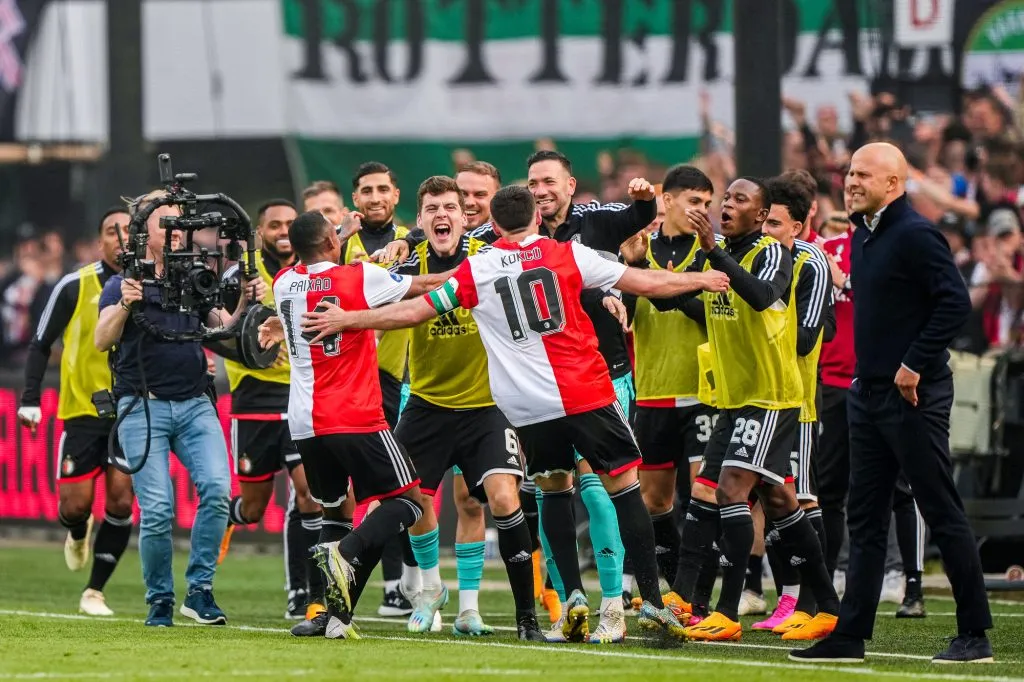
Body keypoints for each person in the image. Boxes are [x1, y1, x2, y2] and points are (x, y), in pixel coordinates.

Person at [296, 184, 731, 643]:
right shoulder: (568, 254)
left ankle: (567, 610)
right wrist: (702, 278)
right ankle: (654, 606)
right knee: (623, 488)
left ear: (494, 226)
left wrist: (348, 320)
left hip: (528, 409)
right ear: (537, 220)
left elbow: (413, 312)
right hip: (583, 392)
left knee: (552, 492)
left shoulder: (477, 268)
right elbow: (645, 282)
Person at [792, 142, 994, 664]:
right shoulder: (864, 233)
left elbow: (954, 303)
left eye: (863, 174)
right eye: (850, 173)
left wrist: (914, 363)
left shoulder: (916, 233)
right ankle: (851, 634)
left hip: (913, 392)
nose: (851, 181)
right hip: (869, 391)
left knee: (939, 506)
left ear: (894, 183)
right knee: (864, 515)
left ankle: (974, 633)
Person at [651, 178, 841, 643]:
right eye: (726, 199)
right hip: (733, 398)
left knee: (732, 492)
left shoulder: (770, 252)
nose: (727, 205)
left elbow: (761, 297)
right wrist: (643, 281)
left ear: (761, 216)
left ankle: (727, 611)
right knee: (773, 500)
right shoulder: (721, 257)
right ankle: (829, 607)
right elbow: (700, 304)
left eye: (740, 200)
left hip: (771, 395)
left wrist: (714, 254)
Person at [267, 210, 446, 640]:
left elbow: (308, 262)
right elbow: (422, 285)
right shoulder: (359, 278)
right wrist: (473, 274)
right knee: (410, 501)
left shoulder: (284, 283)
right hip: (353, 413)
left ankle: (334, 618)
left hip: (305, 421)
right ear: (332, 242)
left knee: (335, 511)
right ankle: (346, 554)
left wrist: (338, 233)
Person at [380, 176, 544, 641]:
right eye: (432, 207)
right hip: (426, 402)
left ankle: (484, 611)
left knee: (498, 499)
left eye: (450, 206)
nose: (442, 214)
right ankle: (431, 588)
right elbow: (372, 291)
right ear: (422, 218)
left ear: (463, 214)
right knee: (409, 501)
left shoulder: (488, 257)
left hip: (487, 405)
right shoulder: (407, 262)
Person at [94, 191, 265, 627]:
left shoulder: (193, 278)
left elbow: (222, 330)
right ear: (143, 231)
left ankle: (200, 591)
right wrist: (126, 304)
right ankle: (160, 600)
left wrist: (245, 298)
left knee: (216, 490)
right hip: (142, 406)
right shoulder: (122, 283)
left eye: (180, 222)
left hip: (194, 404)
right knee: (158, 511)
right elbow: (101, 339)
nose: (177, 231)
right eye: (166, 222)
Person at [212, 199, 326, 626]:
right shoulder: (237, 275)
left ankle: (305, 593)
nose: (282, 230)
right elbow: (216, 331)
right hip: (254, 402)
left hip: (300, 397)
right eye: (274, 224)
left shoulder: (311, 272)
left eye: (289, 223)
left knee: (309, 494)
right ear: (260, 232)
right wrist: (243, 307)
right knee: (255, 508)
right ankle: (230, 514)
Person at [18, 208, 134, 616]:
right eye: (111, 232)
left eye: (129, 230)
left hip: (131, 410)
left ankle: (94, 591)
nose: (121, 238)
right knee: (74, 508)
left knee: (121, 501)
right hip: (82, 410)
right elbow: (40, 342)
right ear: (98, 242)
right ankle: (77, 530)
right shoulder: (74, 284)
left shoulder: (153, 285)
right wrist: (30, 398)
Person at [618, 166, 717, 595]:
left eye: (708, 205)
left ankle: (702, 594)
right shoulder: (639, 250)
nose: (702, 211)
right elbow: (623, 312)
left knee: (703, 496)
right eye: (695, 201)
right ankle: (676, 586)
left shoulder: (712, 253)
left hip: (704, 391)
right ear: (668, 201)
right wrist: (635, 273)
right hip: (654, 391)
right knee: (655, 502)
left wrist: (661, 287)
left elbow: (712, 315)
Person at [753, 177, 835, 635]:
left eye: (775, 223)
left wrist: (765, 298)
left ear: (800, 227)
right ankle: (788, 599)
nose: (766, 230)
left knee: (801, 496)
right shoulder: (756, 257)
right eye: (763, 220)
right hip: (755, 397)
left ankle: (816, 604)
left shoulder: (811, 263)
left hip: (795, 400)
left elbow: (806, 340)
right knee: (772, 498)